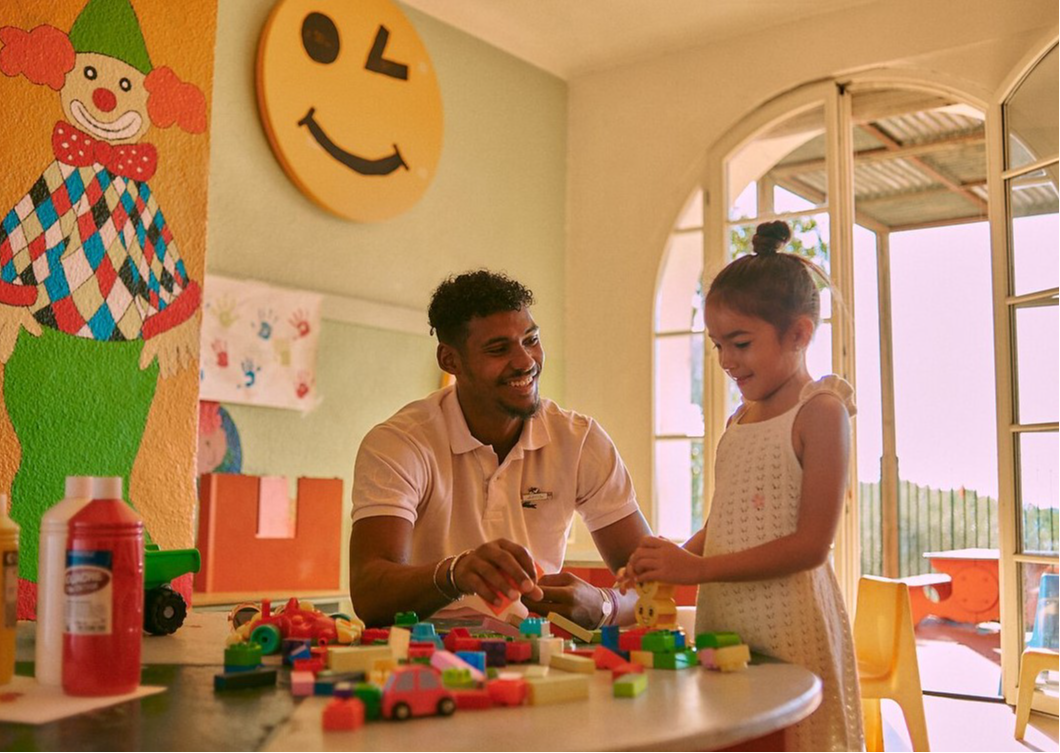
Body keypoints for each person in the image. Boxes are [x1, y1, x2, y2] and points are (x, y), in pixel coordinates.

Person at [622, 222, 863, 751]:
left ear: (799, 334)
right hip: (726, 622)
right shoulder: (738, 422)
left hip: (790, 627)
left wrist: (699, 570)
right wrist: (668, 559)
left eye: (741, 343)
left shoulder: (820, 413)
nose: (727, 360)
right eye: (717, 345)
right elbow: (725, 523)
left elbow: (811, 545)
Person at [349, 270, 651, 629]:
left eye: (531, 339)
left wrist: (605, 605)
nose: (525, 361)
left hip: (538, 659)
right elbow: (369, 595)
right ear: (450, 361)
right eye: (498, 349)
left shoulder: (580, 440)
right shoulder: (400, 443)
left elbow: (652, 587)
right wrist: (454, 574)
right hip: (422, 663)